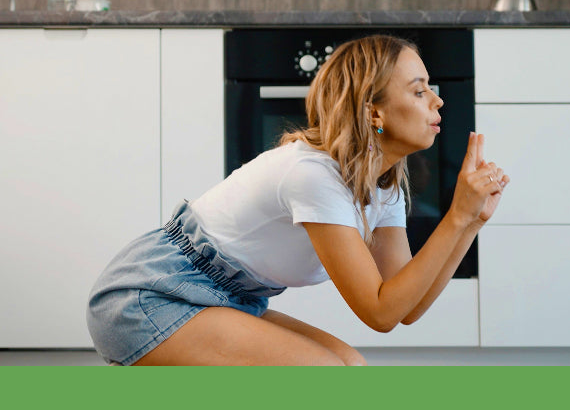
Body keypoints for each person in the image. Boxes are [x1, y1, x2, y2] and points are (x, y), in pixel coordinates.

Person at [86, 35, 509, 365]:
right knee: (324, 376)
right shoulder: (315, 175)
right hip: (148, 296)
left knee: (350, 368)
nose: (437, 99)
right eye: (419, 92)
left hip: (231, 298)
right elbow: (379, 313)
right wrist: (455, 216)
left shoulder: (383, 183)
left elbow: (406, 308)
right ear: (374, 113)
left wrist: (471, 222)